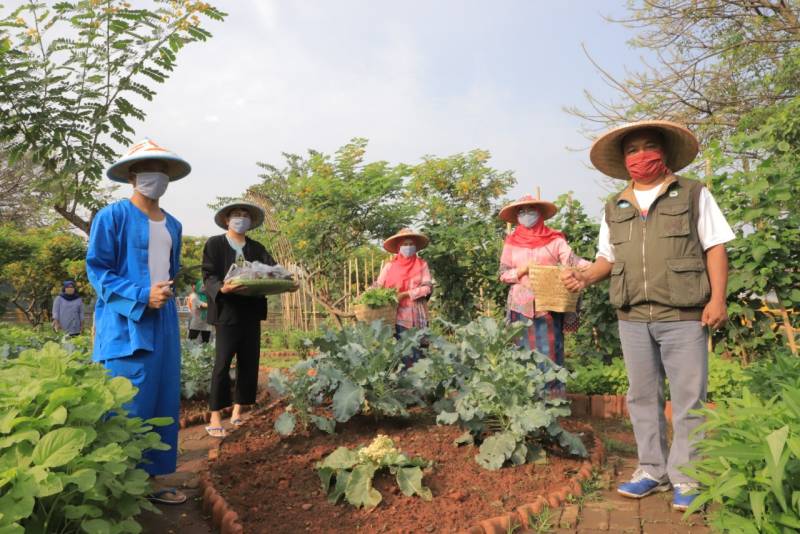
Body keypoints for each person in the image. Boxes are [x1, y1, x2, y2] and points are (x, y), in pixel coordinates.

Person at [561, 120, 734, 511]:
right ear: (624, 161)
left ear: (665, 153)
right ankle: (652, 470)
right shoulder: (615, 205)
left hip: (684, 313)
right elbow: (608, 258)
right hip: (633, 316)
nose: (641, 155)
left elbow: (716, 246)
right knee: (641, 397)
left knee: (690, 398)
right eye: (632, 150)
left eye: (649, 146)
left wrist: (717, 298)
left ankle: (688, 477)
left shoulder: (691, 194)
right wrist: (585, 276)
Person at [86, 138, 189, 505]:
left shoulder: (174, 225)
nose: (156, 176)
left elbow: (171, 271)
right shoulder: (111, 216)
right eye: (148, 168)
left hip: (164, 322)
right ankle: (117, 485)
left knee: (161, 397)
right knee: (128, 399)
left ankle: (150, 480)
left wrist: (161, 295)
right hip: (125, 321)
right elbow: (97, 270)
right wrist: (141, 294)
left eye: (162, 169)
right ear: (131, 175)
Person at [498, 195, 590, 398]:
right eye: (521, 212)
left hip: (549, 303)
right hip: (521, 305)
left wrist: (595, 269)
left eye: (531, 210)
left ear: (539, 214)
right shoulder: (512, 242)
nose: (526, 215)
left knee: (550, 347)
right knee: (521, 349)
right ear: (516, 216)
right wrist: (521, 270)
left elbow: (574, 261)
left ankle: (552, 400)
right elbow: (502, 274)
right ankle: (523, 399)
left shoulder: (555, 240)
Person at [202, 200, 275, 438]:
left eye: (245, 215)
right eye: (236, 214)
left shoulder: (257, 248)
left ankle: (238, 411)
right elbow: (208, 274)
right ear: (226, 219)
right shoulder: (215, 244)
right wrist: (221, 288)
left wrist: (286, 278)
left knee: (249, 361)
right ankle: (215, 415)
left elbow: (272, 270)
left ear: (251, 222)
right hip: (227, 313)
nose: (240, 218)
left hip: (251, 312)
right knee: (222, 363)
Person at [374, 228, 433, 366]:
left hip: (417, 315)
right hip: (397, 314)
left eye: (410, 244)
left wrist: (406, 294)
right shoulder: (390, 266)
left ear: (415, 247)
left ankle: (420, 383)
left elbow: (427, 288)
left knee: (419, 352)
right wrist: (367, 296)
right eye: (404, 244)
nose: (408, 247)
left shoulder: (422, 265)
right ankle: (407, 383)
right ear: (399, 247)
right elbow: (378, 286)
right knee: (404, 350)